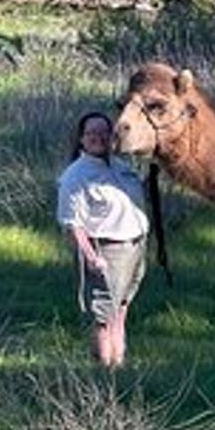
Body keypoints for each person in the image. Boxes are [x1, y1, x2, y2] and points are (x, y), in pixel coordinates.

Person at [56, 111, 151, 369]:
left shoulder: (122, 167)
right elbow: (72, 224)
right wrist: (91, 257)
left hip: (134, 247)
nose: (98, 138)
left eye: (104, 133)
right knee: (103, 317)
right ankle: (103, 372)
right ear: (81, 139)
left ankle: (118, 367)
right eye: (91, 134)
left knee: (121, 310)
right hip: (105, 251)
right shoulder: (75, 176)